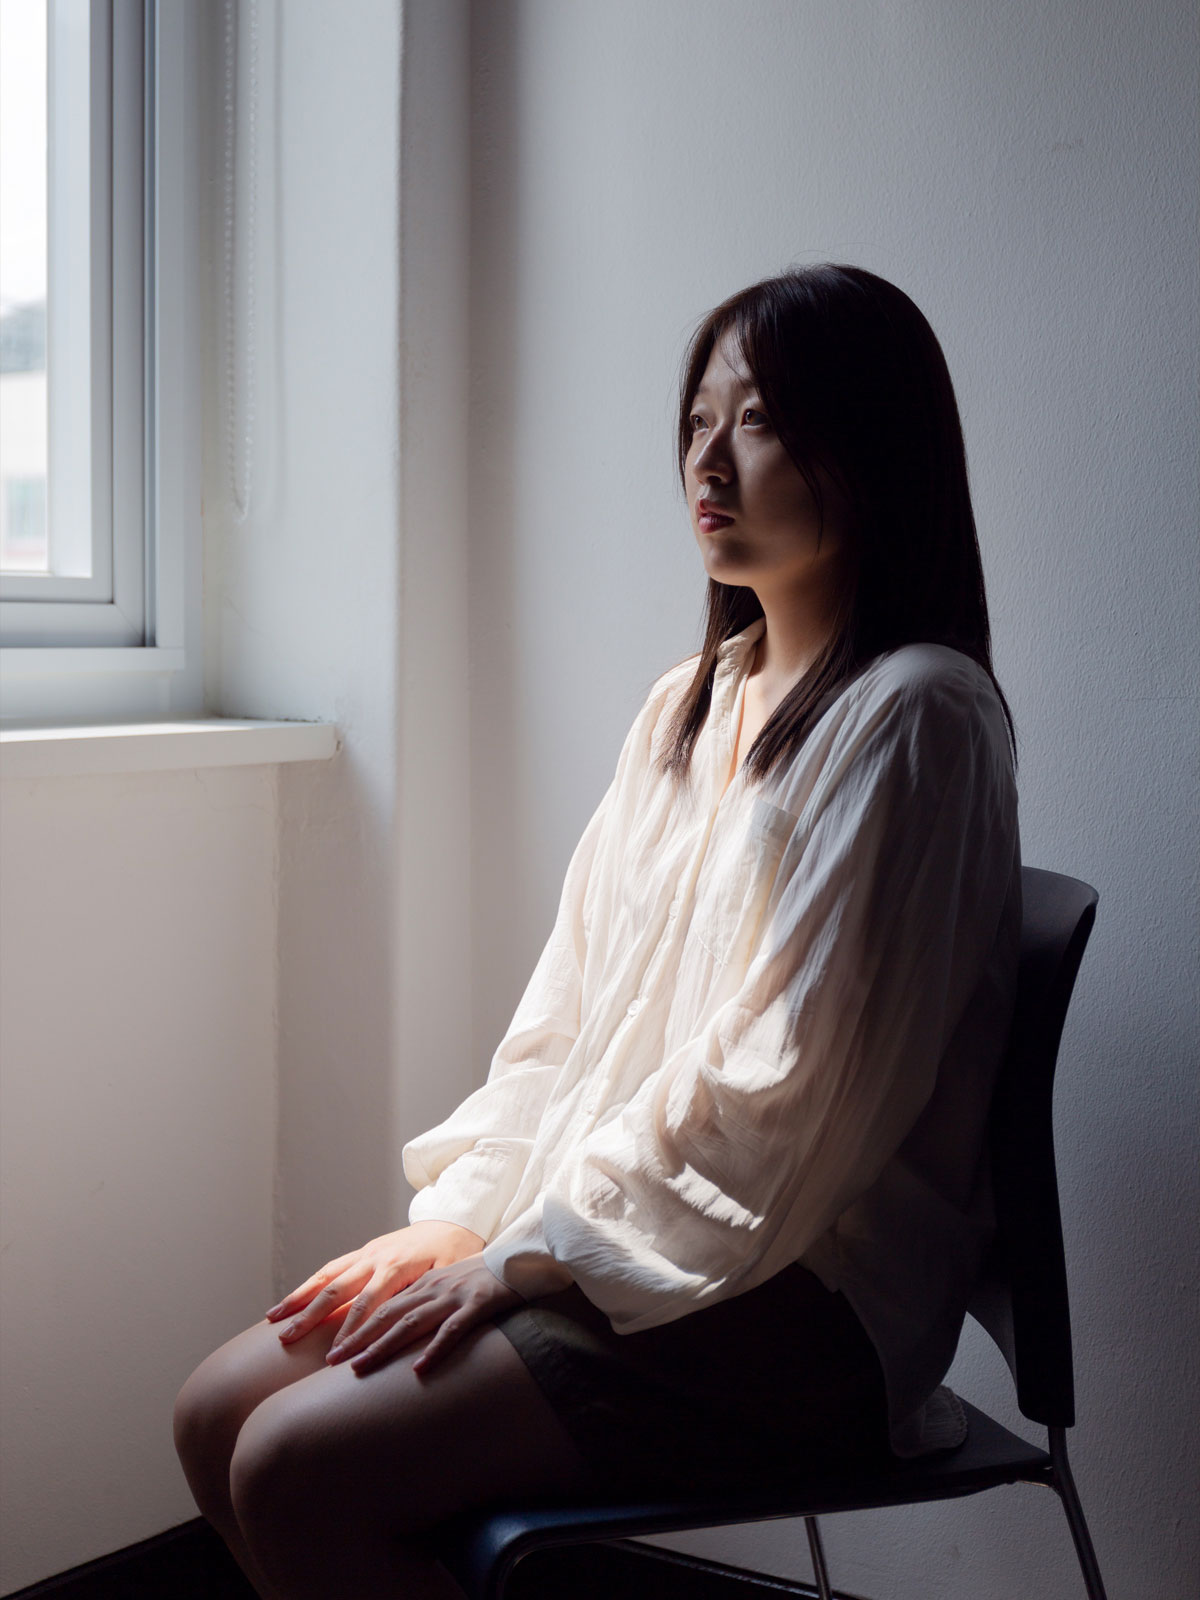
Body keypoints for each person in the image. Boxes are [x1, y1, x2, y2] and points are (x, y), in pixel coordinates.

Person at [174, 264, 1021, 1599]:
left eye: (758, 418)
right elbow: (565, 1027)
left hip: (802, 1305)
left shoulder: (917, 718)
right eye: (697, 421)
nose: (709, 457)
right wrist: (467, 1219)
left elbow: (783, 1100)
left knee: (296, 1467)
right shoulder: (688, 705)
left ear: (868, 444)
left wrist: (531, 1257)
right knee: (215, 1411)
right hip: (621, 1231)